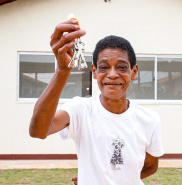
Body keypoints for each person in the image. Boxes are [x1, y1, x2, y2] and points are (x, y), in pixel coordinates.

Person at [29, 19, 164, 185]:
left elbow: (150, 166)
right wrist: (62, 70)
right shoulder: (80, 110)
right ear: (94, 71)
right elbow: (38, 130)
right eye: (104, 67)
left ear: (133, 72)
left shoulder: (149, 119)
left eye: (121, 67)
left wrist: (109, 179)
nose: (112, 74)